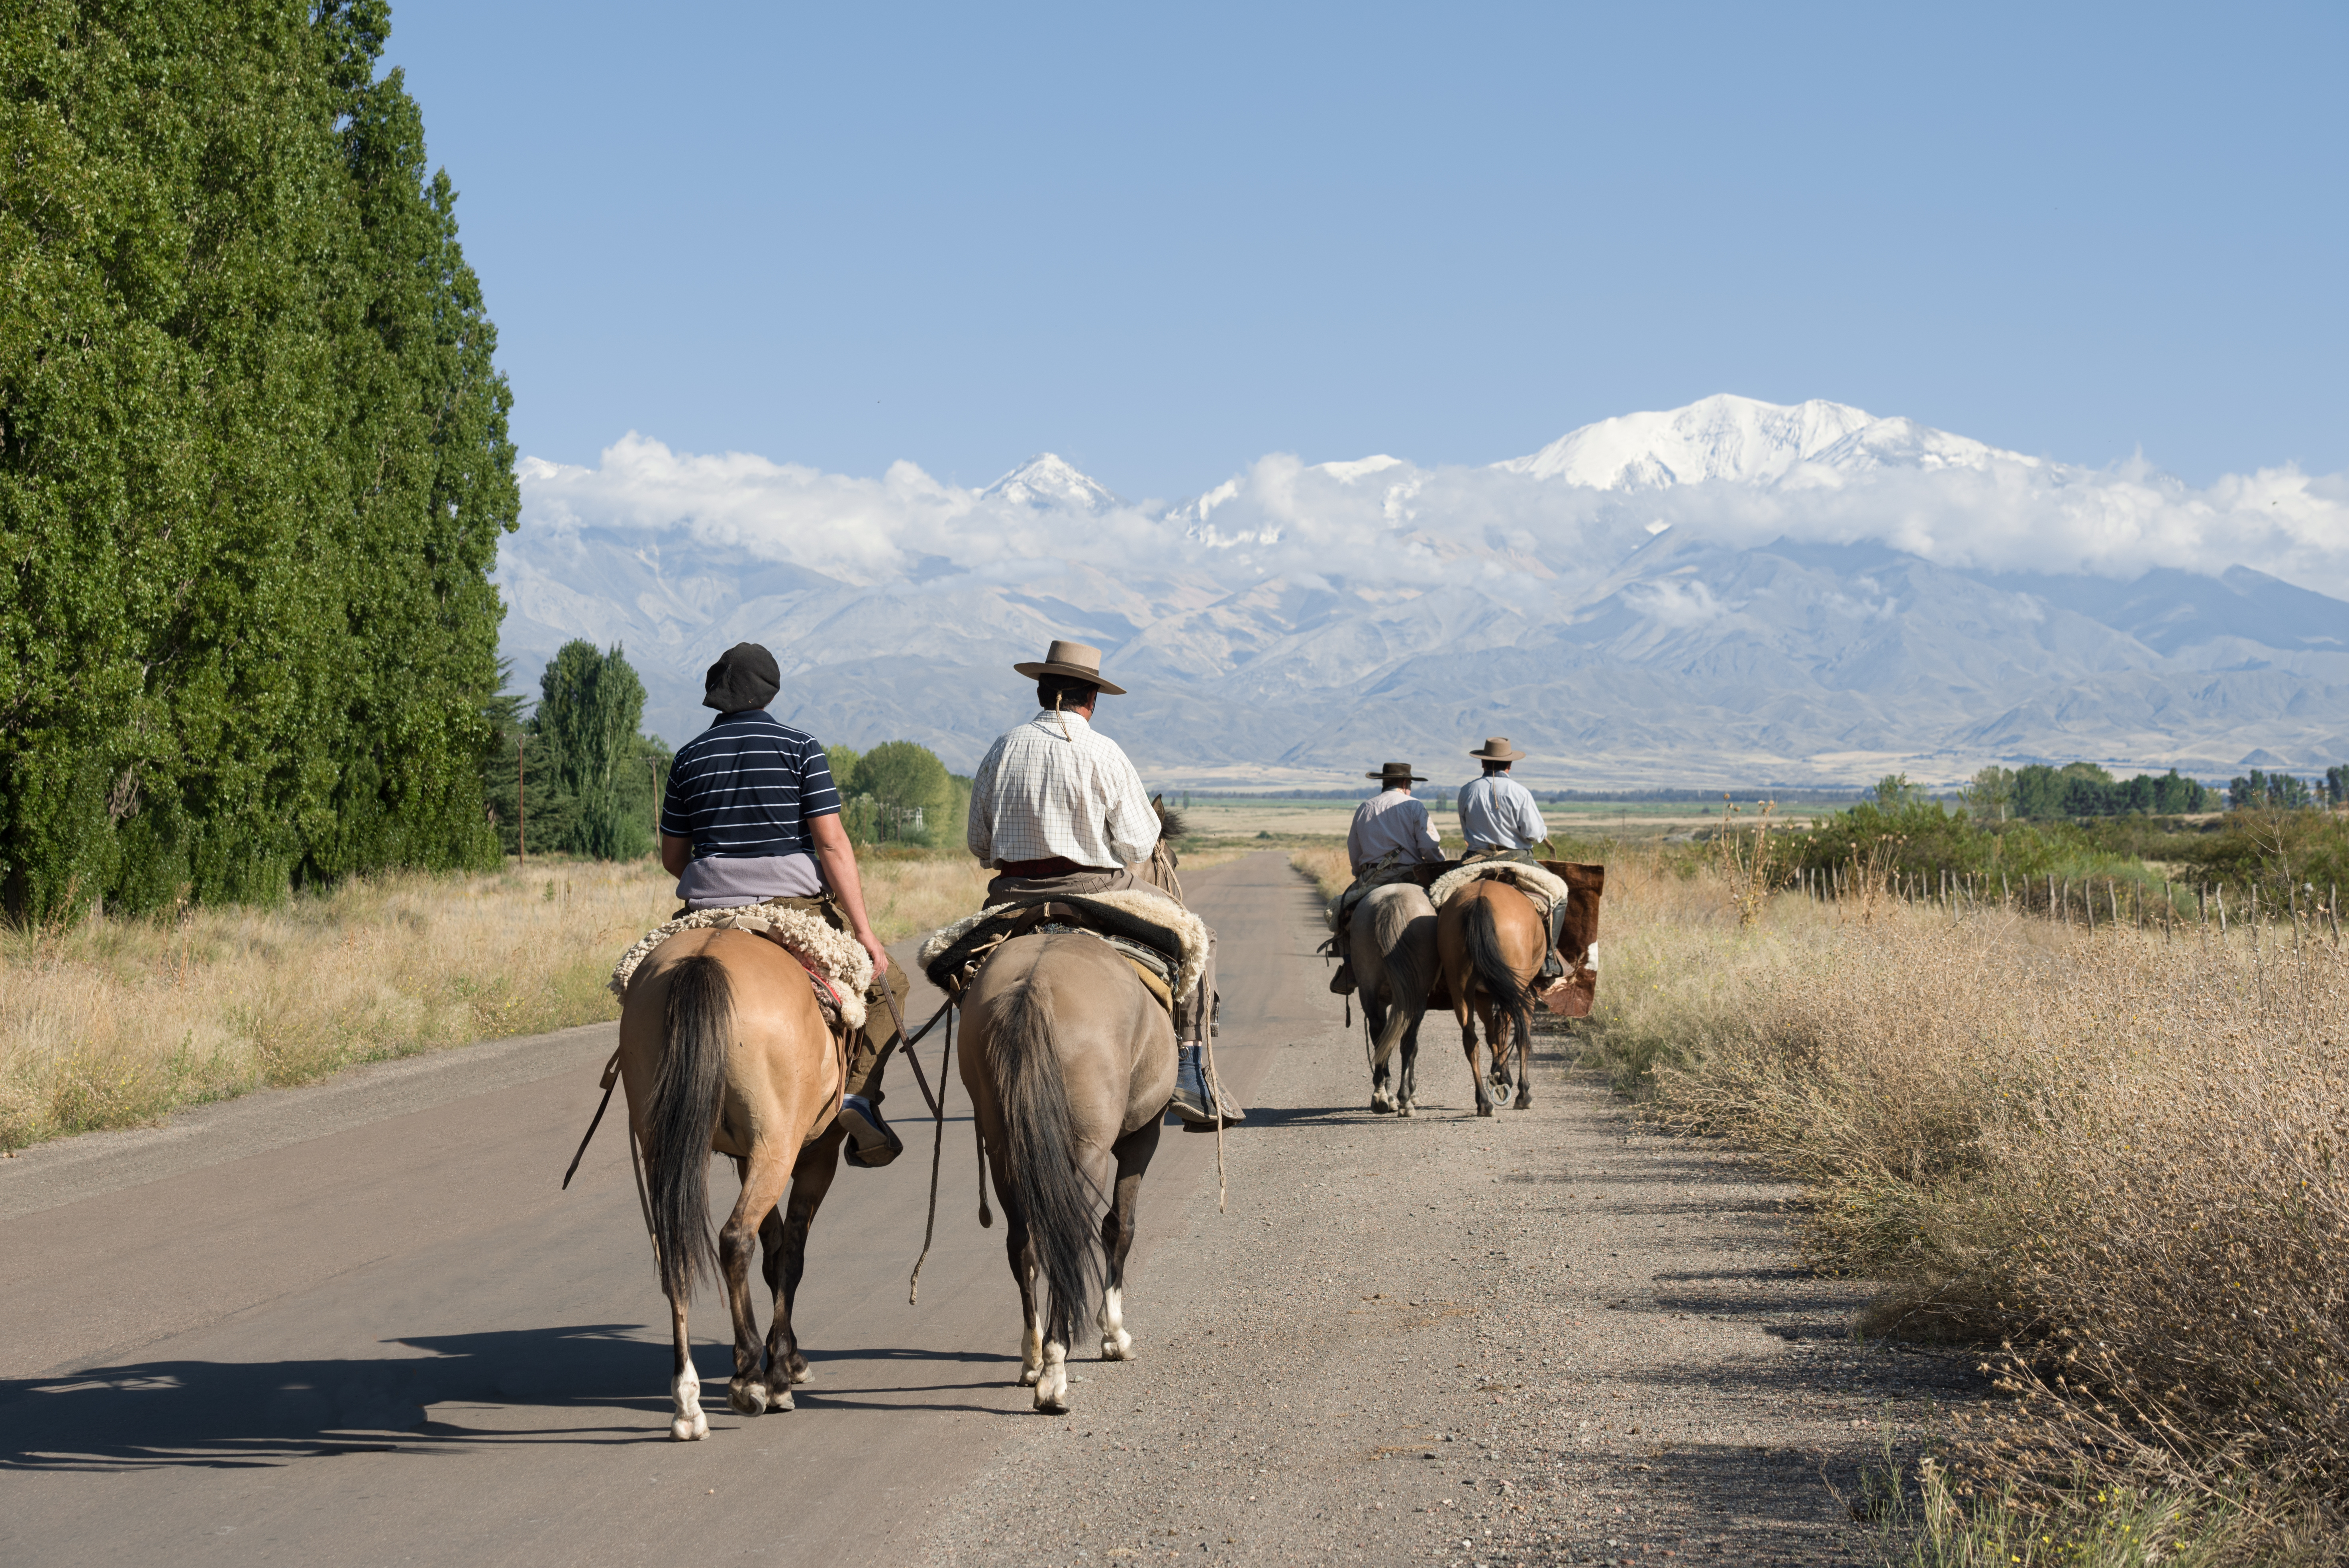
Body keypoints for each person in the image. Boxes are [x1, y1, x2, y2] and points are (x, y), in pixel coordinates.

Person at [659, 641, 912, 1168]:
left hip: (705, 911)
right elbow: (833, 845)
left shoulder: (687, 758)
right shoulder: (800, 748)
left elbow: (672, 857)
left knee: (645, 983)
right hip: (792, 909)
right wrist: (864, 932)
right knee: (891, 987)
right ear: (771, 691)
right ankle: (856, 1097)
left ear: (717, 695)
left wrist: (718, 883)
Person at [965, 638, 1230, 1126]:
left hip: (1010, 895)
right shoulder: (1103, 752)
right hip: (1097, 891)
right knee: (1197, 937)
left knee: (955, 962)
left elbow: (980, 844)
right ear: (1092, 699)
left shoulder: (1002, 748)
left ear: (1042, 692)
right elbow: (1135, 847)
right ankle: (1190, 1070)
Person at [1324, 762, 1447, 995]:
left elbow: (1354, 849)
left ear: (1384, 783)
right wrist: (1438, 864)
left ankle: (1350, 967)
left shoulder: (1365, 808)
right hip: (1411, 876)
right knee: (1445, 912)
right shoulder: (1414, 805)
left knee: (1344, 915)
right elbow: (1430, 848)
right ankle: (1447, 968)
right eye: (1409, 784)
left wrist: (1360, 873)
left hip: (1373, 877)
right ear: (1404, 783)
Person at [1456, 737, 1548, 861]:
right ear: (1510, 764)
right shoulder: (1520, 792)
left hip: (1475, 859)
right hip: (1516, 858)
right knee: (1556, 882)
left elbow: (1466, 828)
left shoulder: (1467, 791)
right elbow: (1534, 834)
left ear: (1483, 762)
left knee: (1444, 880)